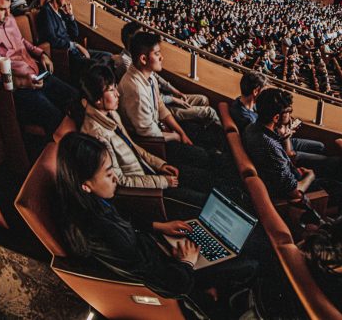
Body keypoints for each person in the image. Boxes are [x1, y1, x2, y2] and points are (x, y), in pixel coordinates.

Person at [54, 132, 256, 317]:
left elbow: (124, 222)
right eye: (108, 174)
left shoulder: (85, 203)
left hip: (161, 255)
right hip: (172, 278)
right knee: (249, 264)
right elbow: (171, 286)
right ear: (85, 185)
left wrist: (158, 226)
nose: (115, 177)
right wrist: (187, 263)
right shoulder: (101, 232)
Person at [78, 64, 208, 210]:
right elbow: (120, 181)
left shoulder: (111, 114)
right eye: (111, 90)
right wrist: (162, 181)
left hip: (148, 173)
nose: (117, 94)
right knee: (201, 202)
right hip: (144, 193)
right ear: (97, 100)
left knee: (200, 177)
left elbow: (133, 147)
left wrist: (160, 165)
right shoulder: (97, 135)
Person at [0, 0, 80, 137]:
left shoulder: (8, 18)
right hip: (18, 90)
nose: (8, 14)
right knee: (56, 115)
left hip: (36, 72)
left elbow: (22, 42)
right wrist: (23, 82)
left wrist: (41, 54)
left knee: (74, 97)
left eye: (9, 8)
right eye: (2, 9)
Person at [118, 32, 213, 168]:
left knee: (201, 133)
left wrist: (181, 132)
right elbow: (148, 134)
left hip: (160, 129)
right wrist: (176, 136)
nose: (162, 57)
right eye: (157, 54)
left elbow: (161, 106)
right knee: (202, 156)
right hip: (153, 145)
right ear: (144, 59)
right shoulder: (135, 91)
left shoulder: (148, 76)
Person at [230, 71, 327, 162]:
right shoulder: (248, 120)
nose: (266, 95)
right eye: (264, 91)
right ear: (256, 91)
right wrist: (285, 135)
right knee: (325, 157)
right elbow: (268, 142)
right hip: (281, 146)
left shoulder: (240, 102)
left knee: (320, 146)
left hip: (279, 138)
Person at [36, 0, 112, 83]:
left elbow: (75, 33)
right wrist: (75, 45)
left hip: (76, 50)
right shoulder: (46, 13)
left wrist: (71, 16)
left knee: (108, 56)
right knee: (99, 67)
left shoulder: (61, 12)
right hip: (68, 55)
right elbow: (52, 39)